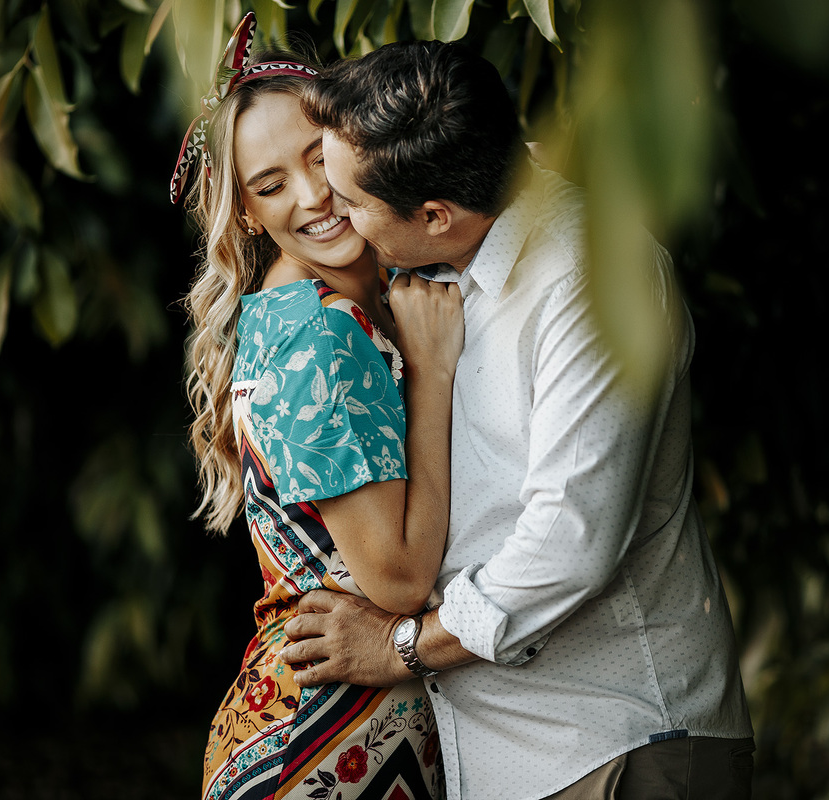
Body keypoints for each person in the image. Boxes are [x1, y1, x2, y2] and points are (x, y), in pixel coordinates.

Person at [279, 40, 755, 799]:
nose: (327, 211)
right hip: (508, 760)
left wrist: (400, 647)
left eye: (350, 201)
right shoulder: (444, 237)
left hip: (618, 746)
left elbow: (569, 540)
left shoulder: (591, 279)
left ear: (436, 215)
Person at [175, 14, 462, 800]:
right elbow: (398, 580)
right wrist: (432, 376)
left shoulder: (317, 310)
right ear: (246, 214)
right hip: (326, 746)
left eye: (318, 158)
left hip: (331, 727)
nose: (312, 197)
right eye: (270, 186)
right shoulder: (317, 333)